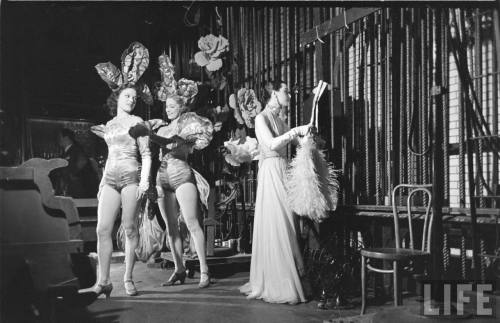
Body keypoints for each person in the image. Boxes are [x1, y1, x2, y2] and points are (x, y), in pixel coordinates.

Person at [129, 94, 213, 288]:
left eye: (172, 106)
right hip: (163, 178)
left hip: (181, 175)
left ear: (181, 107)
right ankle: (179, 269)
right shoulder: (163, 127)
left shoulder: (186, 125)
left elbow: (171, 144)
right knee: (171, 228)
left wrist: (148, 134)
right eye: (166, 106)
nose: (168, 109)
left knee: (192, 224)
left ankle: (204, 271)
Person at [239, 81, 311, 304]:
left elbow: (291, 140)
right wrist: (294, 131)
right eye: (285, 90)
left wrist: (306, 137)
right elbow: (270, 144)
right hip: (271, 171)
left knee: (289, 222)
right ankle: (277, 280)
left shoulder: (281, 118)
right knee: (277, 221)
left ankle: (289, 275)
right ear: (273, 94)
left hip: (283, 169)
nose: (288, 94)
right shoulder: (261, 118)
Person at [91, 84, 152, 298]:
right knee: (102, 229)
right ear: (117, 98)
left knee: (129, 227)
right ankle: (104, 281)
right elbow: (110, 156)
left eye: (135, 97)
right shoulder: (110, 124)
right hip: (110, 178)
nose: (131, 100)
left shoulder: (137, 123)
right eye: (127, 96)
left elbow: (146, 154)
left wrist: (144, 183)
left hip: (131, 177)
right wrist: (101, 184)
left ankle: (127, 277)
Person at [55, 128, 99, 198]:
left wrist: (71, 174)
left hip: (80, 188)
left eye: (60, 137)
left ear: (66, 138)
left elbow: (82, 162)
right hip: (73, 188)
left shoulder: (77, 149)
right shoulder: (66, 153)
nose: (58, 140)